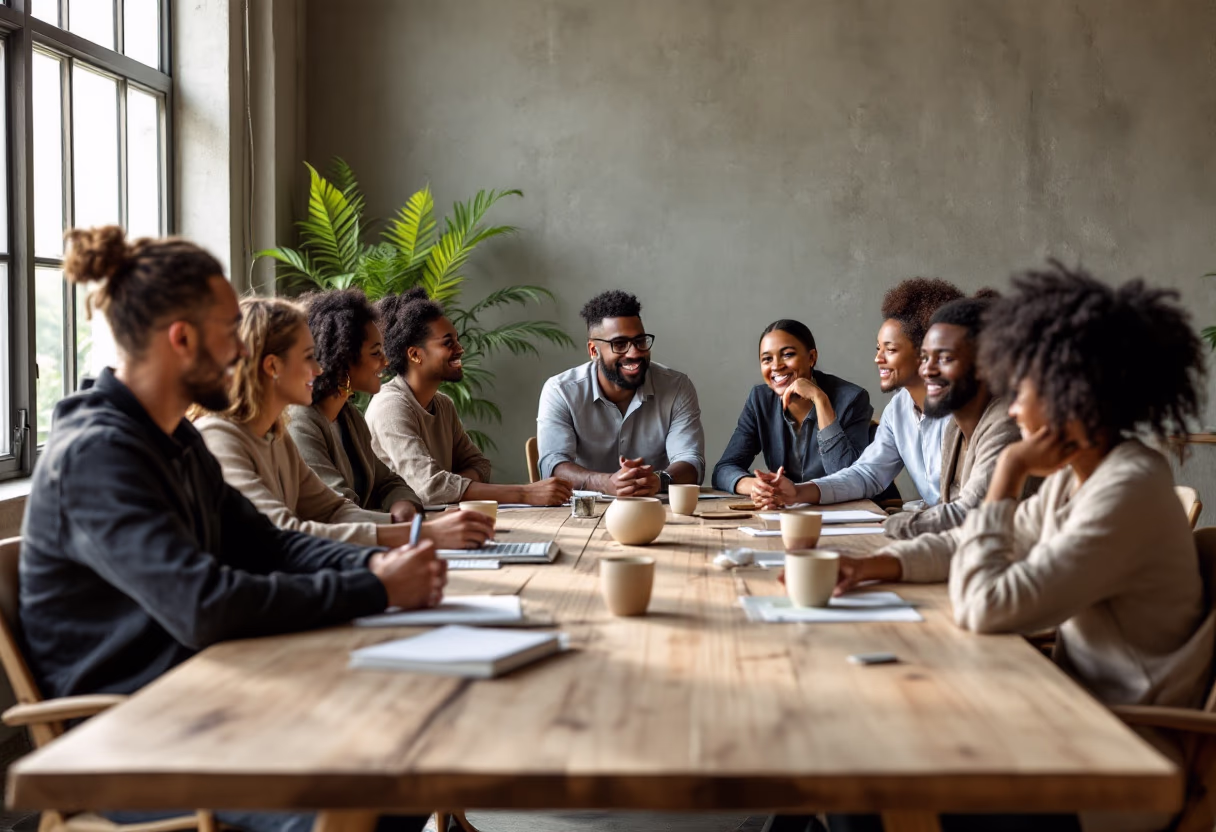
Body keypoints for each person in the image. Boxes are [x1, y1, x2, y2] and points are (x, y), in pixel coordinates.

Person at [20, 227, 438, 832]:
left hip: (212, 699)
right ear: (181, 339)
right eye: (227, 333)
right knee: (361, 796)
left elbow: (269, 543)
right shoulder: (98, 456)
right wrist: (376, 589)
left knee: (405, 765)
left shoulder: (174, 438)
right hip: (137, 739)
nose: (241, 351)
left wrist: (378, 569)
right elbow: (203, 604)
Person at [832, 263, 1214, 832]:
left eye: (1022, 389)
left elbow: (986, 606)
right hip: (1066, 715)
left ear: (1069, 396)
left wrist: (1009, 471)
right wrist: (877, 564)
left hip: (1118, 757)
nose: (1011, 406)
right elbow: (976, 539)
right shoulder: (1080, 476)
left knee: (868, 780)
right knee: (859, 753)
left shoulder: (1127, 489)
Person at [194, 297, 494, 550]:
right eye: (310, 357)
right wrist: (420, 533)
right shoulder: (220, 438)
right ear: (273, 366)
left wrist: (412, 524)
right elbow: (285, 531)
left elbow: (333, 510)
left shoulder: (277, 434)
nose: (319, 367)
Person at [752, 278, 962, 509]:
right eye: (878, 348)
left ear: (926, 352)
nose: (878, 359)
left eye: (890, 349)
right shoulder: (898, 408)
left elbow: (973, 503)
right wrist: (797, 492)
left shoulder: (964, 410)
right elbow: (867, 474)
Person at [367, 288, 572, 506]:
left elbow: (480, 465)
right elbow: (430, 487)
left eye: (457, 340)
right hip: (406, 531)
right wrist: (525, 494)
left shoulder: (443, 404)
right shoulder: (389, 406)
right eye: (448, 342)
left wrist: (450, 486)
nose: (460, 349)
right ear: (415, 354)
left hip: (442, 520)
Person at [883, 295, 1027, 539]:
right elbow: (947, 512)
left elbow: (970, 514)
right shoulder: (954, 427)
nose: (927, 370)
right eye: (926, 357)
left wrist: (893, 524)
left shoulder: (1007, 423)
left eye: (946, 358)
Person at [537, 290, 705, 496]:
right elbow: (553, 467)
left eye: (640, 341)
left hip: (655, 511)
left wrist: (658, 480)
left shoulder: (677, 387)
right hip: (582, 516)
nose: (634, 353)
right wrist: (605, 483)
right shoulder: (561, 391)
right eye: (619, 344)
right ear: (593, 351)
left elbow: (691, 461)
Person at [288, 288, 424, 514]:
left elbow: (388, 482)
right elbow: (337, 510)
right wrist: (399, 525)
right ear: (342, 358)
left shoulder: (348, 416)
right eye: (375, 352)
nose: (386, 361)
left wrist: (403, 505)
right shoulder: (300, 422)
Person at [712, 319, 873, 499]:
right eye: (767, 359)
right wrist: (755, 486)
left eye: (787, 355)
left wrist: (821, 401)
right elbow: (723, 469)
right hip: (788, 512)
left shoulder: (852, 399)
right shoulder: (760, 400)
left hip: (848, 514)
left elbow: (850, 480)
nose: (776, 366)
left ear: (812, 358)